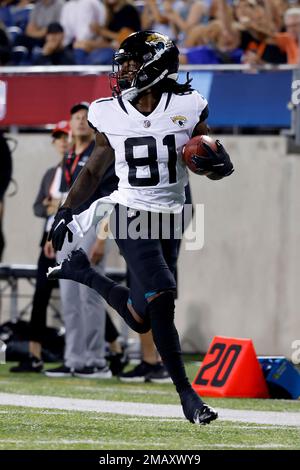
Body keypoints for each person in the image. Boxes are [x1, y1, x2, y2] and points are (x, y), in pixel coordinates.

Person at [48, 31, 234, 424]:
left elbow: (203, 152)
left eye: (133, 62)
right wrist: (67, 208)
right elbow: (96, 165)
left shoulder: (188, 103)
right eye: (124, 63)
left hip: (173, 213)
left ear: (157, 64)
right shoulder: (108, 111)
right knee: (162, 294)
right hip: (130, 211)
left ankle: (80, 271)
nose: (125, 70)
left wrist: (219, 162)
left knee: (140, 314)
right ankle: (188, 396)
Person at [44, 102, 117, 379]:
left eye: (86, 117)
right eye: (76, 117)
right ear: (70, 123)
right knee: (69, 295)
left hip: (93, 223)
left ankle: (95, 359)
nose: (82, 121)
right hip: (70, 225)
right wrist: (54, 230)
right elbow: (64, 198)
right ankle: (73, 358)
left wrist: (102, 237)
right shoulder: (69, 157)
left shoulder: (101, 153)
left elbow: (112, 195)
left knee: (90, 294)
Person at [10, 121, 70, 373]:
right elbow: (38, 207)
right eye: (58, 138)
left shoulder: (78, 167)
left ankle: (113, 346)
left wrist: (56, 204)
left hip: (70, 236)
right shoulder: (51, 172)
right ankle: (34, 355)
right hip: (48, 238)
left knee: (81, 295)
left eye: (65, 137)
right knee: (40, 295)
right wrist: (54, 205)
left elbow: (72, 203)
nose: (62, 142)